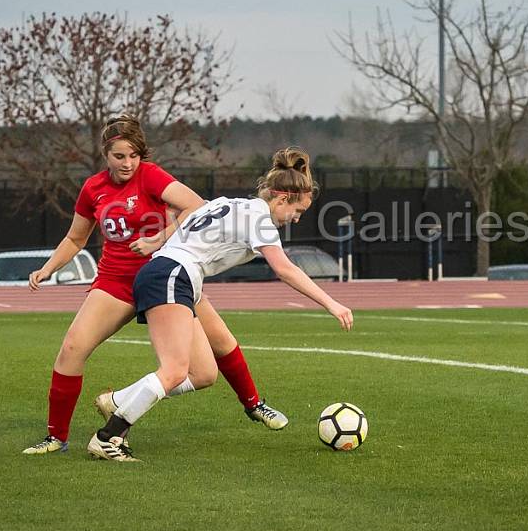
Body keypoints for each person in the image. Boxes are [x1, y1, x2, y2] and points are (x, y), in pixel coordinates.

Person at [22, 116, 288, 456]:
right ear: (106, 154)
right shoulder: (93, 188)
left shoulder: (150, 175)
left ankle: (254, 404)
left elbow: (195, 205)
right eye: (120, 156)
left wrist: (159, 238)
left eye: (134, 155)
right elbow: (75, 238)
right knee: (71, 350)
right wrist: (48, 268)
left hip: (167, 275)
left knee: (213, 357)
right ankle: (56, 437)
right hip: (115, 283)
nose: (128, 163)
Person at [89, 147, 353, 461]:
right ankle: (107, 437)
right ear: (282, 199)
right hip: (173, 275)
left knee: (203, 374)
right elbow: (284, 268)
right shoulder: (260, 219)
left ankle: (118, 400)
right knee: (174, 371)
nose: (295, 218)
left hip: (172, 274)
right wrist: (331, 303)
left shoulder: (229, 204)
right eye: (297, 211)